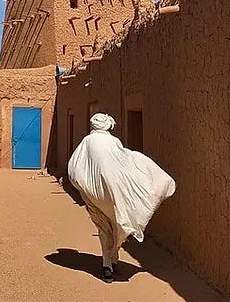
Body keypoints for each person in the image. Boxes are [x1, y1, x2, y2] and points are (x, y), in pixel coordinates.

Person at [67, 112, 176, 283]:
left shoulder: (87, 141)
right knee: (117, 224)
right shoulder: (113, 141)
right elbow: (122, 160)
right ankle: (112, 259)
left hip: (96, 194)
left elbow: (74, 167)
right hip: (116, 192)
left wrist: (84, 188)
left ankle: (107, 264)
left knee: (104, 227)